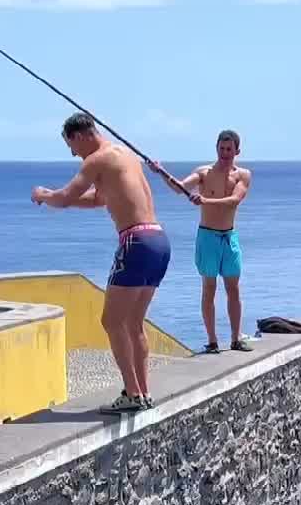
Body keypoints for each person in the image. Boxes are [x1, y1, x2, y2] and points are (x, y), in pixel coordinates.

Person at [31, 112, 172, 414]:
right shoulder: (126, 156)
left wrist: (44, 195)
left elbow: (67, 196)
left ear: (80, 135)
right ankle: (142, 393)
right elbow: (98, 200)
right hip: (158, 241)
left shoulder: (95, 160)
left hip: (135, 242)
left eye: (72, 146)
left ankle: (133, 394)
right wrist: (57, 198)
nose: (73, 153)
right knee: (133, 324)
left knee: (111, 321)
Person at [179, 129, 253, 352]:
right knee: (209, 288)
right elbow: (181, 186)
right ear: (216, 148)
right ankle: (212, 341)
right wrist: (159, 171)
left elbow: (234, 201)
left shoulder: (243, 175)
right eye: (222, 148)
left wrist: (204, 201)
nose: (225, 153)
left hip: (229, 236)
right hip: (207, 236)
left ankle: (235, 338)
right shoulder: (203, 172)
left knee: (233, 288)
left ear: (237, 151)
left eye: (229, 149)